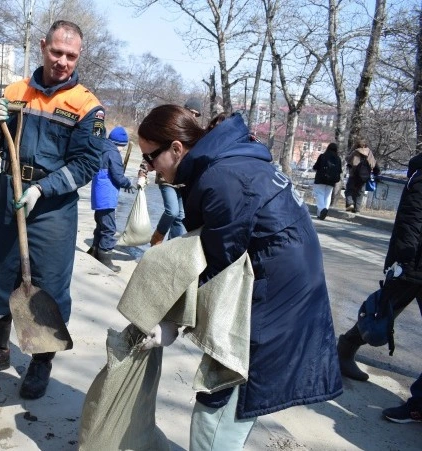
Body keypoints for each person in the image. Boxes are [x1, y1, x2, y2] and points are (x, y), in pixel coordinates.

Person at [137, 105, 342, 449]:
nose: (149, 167)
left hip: (275, 299)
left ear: (175, 148)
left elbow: (219, 267)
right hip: (282, 286)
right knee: (229, 393)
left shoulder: (222, 179)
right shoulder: (228, 162)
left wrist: (173, 321)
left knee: (221, 397)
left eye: (150, 157)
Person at [0, 20, 105, 400]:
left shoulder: (86, 107)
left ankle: (41, 364)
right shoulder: (15, 91)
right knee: (0, 274)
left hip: (52, 206)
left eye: (71, 56)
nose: (62, 61)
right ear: (43, 46)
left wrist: (44, 188)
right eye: (56, 52)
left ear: (79, 56)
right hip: (9, 191)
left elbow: (87, 164)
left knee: (49, 284)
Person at [337, 153, 422, 423]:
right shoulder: (420, 177)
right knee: (383, 311)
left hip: (412, 263)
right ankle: (345, 349)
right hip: (412, 264)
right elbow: (411, 221)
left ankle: (345, 349)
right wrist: (402, 263)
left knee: (386, 310)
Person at [149, 99, 200, 245]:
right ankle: (157, 238)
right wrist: (142, 172)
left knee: (180, 216)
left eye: (197, 114)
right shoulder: (172, 127)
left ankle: (172, 248)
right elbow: (152, 149)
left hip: (183, 181)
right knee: (172, 211)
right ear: (185, 110)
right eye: (192, 112)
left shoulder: (194, 133)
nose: (194, 116)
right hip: (166, 177)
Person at [88, 126, 134, 272]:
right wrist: (128, 183)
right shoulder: (113, 153)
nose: (122, 149)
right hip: (106, 196)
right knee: (109, 228)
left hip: (98, 195)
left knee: (100, 225)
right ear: (118, 144)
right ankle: (105, 259)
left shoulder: (102, 148)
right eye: (122, 146)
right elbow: (118, 176)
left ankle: (94, 250)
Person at [344, 138, 380, 213]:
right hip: (364, 176)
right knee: (360, 193)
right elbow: (373, 163)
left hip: (353, 175)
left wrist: (351, 150)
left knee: (349, 190)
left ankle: (350, 204)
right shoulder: (369, 152)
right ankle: (357, 209)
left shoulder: (355, 152)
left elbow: (348, 159)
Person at [311, 143, 343, 220]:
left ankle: (322, 210)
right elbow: (340, 171)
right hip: (331, 181)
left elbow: (316, 167)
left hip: (320, 179)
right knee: (327, 196)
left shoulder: (323, 156)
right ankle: (321, 214)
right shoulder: (338, 159)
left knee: (319, 194)